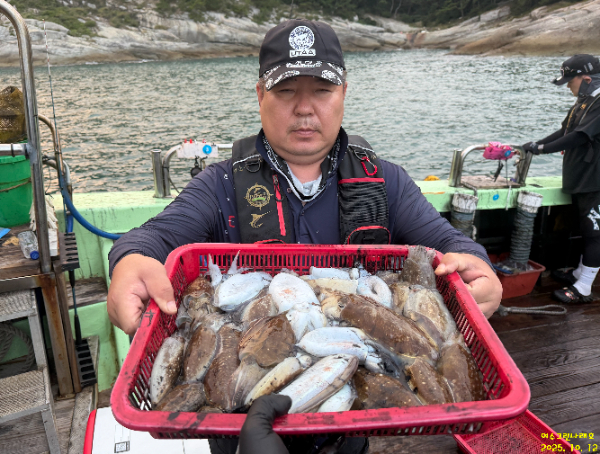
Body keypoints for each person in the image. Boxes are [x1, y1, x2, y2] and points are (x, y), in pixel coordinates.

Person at [107, 18, 501, 454]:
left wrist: (477, 265)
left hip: (350, 422)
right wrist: (131, 259)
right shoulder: (220, 185)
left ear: (344, 93)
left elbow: (449, 244)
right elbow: (155, 237)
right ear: (261, 95)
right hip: (239, 432)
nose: (304, 108)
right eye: (286, 90)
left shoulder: (387, 182)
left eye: (322, 90)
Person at [522, 54, 600, 304]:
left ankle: (584, 288)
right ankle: (578, 273)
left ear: (586, 79)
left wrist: (543, 149)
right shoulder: (584, 102)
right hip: (583, 178)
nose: (567, 86)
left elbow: (579, 136)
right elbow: (565, 131)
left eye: (570, 81)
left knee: (594, 233)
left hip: (596, 180)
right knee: (585, 227)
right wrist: (536, 145)